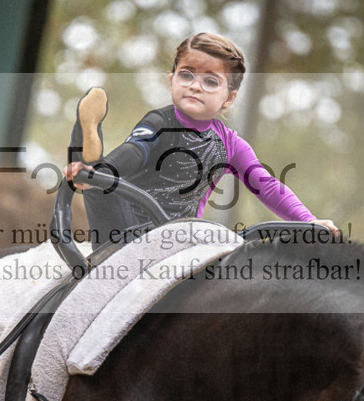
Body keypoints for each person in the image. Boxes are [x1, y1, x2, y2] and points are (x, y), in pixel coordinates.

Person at [64, 32, 337, 248]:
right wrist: (104, 172)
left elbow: (266, 185)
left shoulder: (230, 144)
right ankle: (90, 155)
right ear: (171, 81)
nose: (195, 85)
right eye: (186, 75)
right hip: (124, 228)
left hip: (178, 243)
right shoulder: (160, 122)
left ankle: (92, 163)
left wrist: (308, 221)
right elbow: (135, 151)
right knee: (105, 185)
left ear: (229, 97)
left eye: (210, 81)